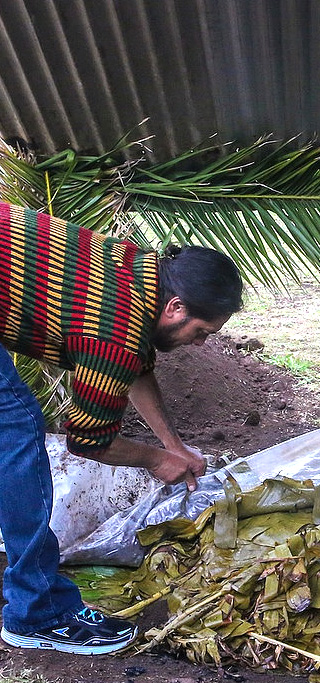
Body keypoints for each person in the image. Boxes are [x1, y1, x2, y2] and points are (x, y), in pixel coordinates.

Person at [0, 203, 244, 655]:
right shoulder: (113, 330)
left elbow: (137, 366)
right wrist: (158, 460)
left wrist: (175, 444)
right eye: (202, 331)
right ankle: (36, 613)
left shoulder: (138, 269)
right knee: (16, 426)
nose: (201, 343)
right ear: (175, 307)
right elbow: (88, 440)